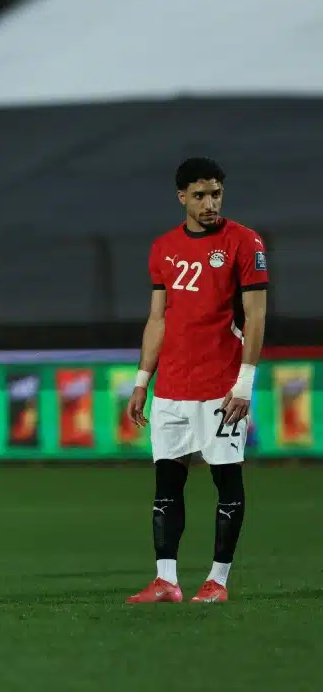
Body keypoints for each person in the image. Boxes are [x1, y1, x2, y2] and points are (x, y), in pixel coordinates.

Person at [126, 158, 267, 604]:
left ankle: (217, 580)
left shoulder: (245, 242)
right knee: (166, 485)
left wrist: (244, 383)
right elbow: (157, 318)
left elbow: (256, 315)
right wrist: (142, 381)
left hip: (220, 386)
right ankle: (165, 580)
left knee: (226, 480)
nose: (210, 203)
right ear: (182, 197)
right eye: (200, 195)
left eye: (216, 194)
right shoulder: (163, 248)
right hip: (171, 387)